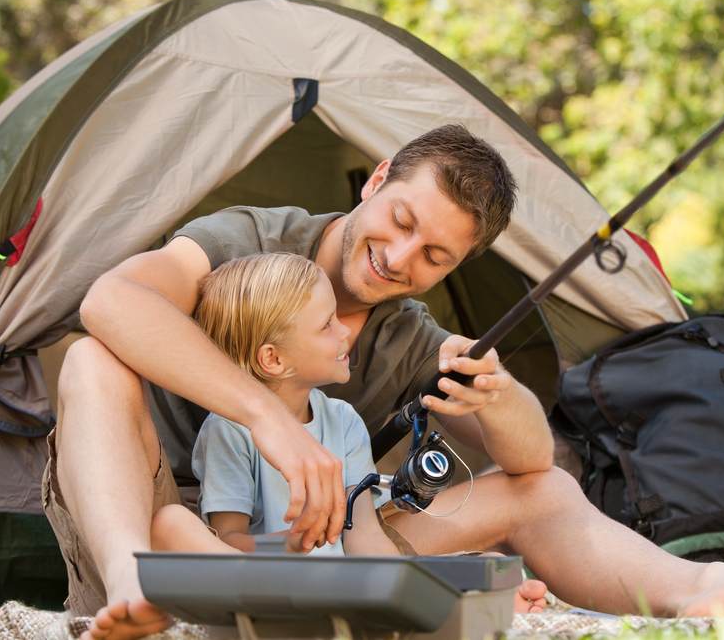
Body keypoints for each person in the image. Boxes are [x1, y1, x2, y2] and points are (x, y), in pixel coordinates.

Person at [46, 125, 724, 640]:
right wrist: (266, 422)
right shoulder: (246, 238)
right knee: (91, 356)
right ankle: (132, 593)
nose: (400, 258)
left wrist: (499, 395)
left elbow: (528, 463)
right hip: (160, 514)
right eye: (402, 220)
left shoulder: (408, 336)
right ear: (376, 180)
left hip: (316, 542)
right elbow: (112, 299)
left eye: (436, 257)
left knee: (545, 492)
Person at [138, 253, 546, 615]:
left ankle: (479, 600)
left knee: (482, 565)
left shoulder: (343, 420)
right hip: (259, 583)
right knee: (171, 522)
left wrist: (451, 588)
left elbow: (366, 539)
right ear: (273, 359)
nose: (345, 332)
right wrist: (289, 546)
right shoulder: (229, 430)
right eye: (326, 325)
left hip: (335, 588)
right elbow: (231, 539)